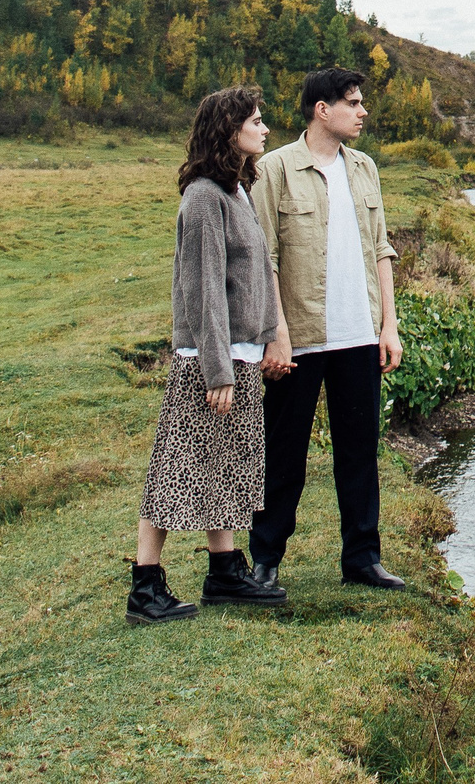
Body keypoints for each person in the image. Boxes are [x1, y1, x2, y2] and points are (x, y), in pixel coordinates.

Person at [130, 85, 288, 624]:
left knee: (221, 467)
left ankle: (225, 571)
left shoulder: (236, 189)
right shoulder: (203, 196)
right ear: (229, 129)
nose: (265, 129)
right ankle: (145, 587)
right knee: (178, 468)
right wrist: (217, 368)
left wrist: (265, 339)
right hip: (207, 360)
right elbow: (203, 289)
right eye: (256, 121)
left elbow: (250, 278)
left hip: (235, 356)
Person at [248, 66, 408, 589]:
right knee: (284, 453)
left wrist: (390, 325)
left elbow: (381, 249)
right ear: (323, 110)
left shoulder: (365, 169)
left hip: (359, 335)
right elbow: (263, 258)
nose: (363, 112)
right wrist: (277, 332)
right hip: (300, 337)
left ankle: (362, 560)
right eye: (354, 103)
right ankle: (266, 560)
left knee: (360, 450)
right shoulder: (274, 170)